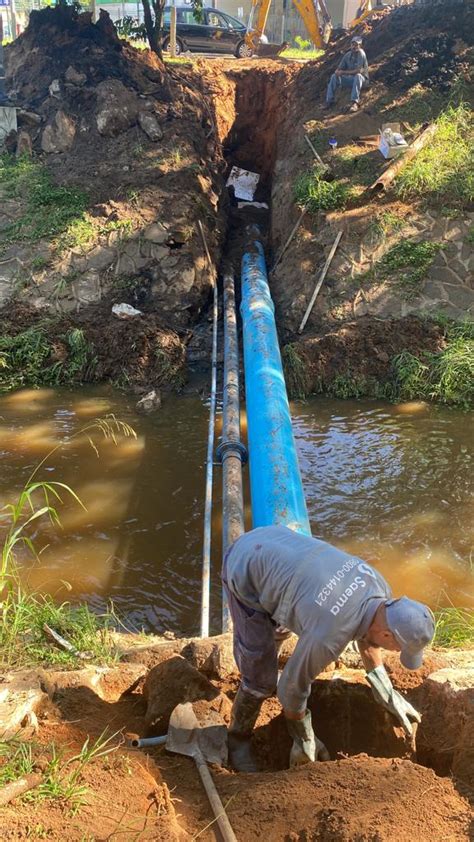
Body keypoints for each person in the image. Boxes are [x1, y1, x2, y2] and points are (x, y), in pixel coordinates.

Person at [223, 525, 435, 772]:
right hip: (245, 565)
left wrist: (383, 688)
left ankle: (270, 638)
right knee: (261, 679)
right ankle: (237, 739)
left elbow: (369, 634)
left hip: (276, 542)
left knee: (283, 626)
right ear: (387, 634)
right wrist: (303, 736)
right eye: (397, 648)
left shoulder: (379, 587)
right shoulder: (329, 637)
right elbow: (291, 689)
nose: (395, 652)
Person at [325, 35, 369, 112]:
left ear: (360, 46)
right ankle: (329, 101)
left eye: (356, 45)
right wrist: (337, 72)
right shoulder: (347, 55)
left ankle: (354, 102)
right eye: (353, 44)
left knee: (358, 76)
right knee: (334, 76)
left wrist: (343, 72)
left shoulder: (361, 54)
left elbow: (358, 71)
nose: (354, 47)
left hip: (362, 81)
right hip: (351, 80)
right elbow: (339, 68)